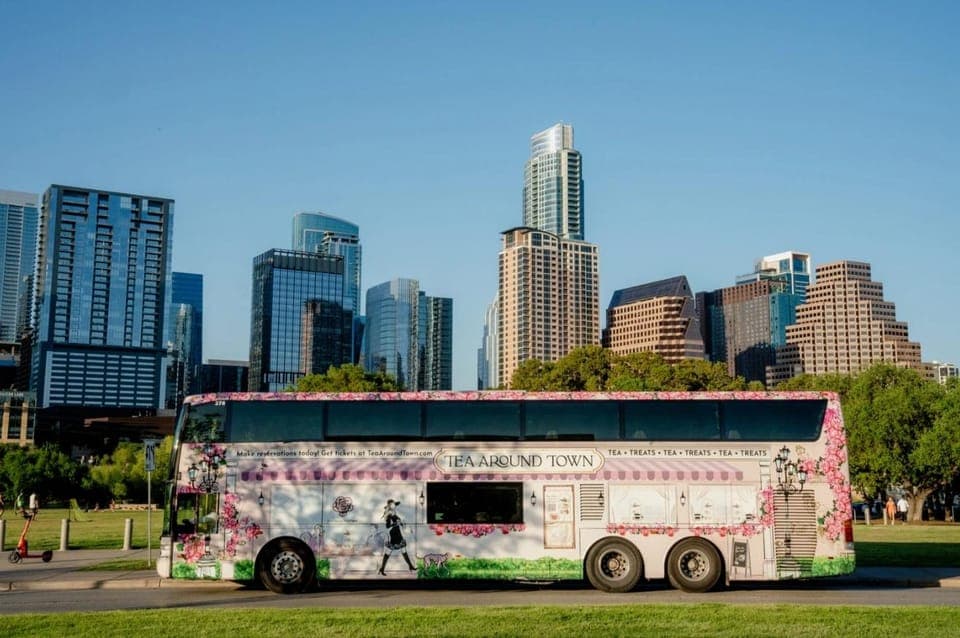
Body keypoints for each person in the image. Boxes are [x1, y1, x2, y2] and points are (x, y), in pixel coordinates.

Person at [378, 499, 417, 575]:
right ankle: (382, 569)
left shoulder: (394, 513)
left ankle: (411, 566)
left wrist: (402, 524)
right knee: (388, 552)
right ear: (389, 506)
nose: (394, 506)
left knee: (404, 551)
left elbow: (399, 522)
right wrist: (396, 523)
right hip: (394, 534)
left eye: (394, 504)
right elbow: (387, 526)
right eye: (392, 504)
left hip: (398, 533)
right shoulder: (388, 514)